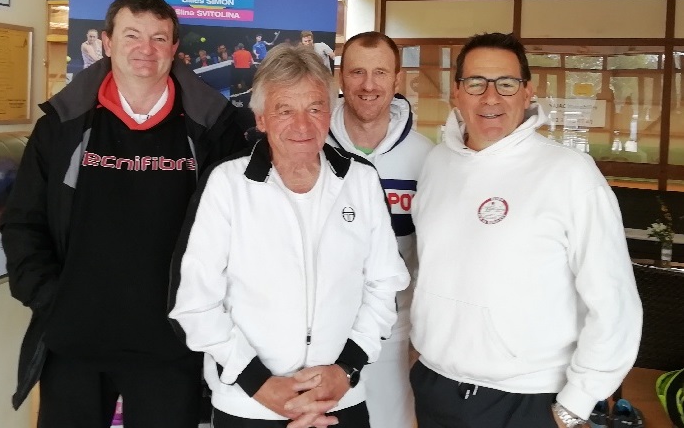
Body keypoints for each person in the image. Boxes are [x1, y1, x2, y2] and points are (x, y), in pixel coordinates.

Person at [0, 0, 247, 428]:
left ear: (174, 47)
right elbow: (23, 222)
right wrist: (51, 300)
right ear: (108, 42)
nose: (145, 49)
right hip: (75, 341)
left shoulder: (212, 129)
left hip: (172, 343)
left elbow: (236, 232)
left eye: (158, 37)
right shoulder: (62, 125)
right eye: (132, 35)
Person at [169, 43, 410, 428]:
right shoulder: (227, 184)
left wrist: (345, 371)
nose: (302, 125)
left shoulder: (361, 181)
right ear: (261, 118)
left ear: (329, 113)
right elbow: (195, 305)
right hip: (250, 407)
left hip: (340, 401)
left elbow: (384, 286)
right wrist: (259, 385)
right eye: (285, 110)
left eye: (314, 108)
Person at [409, 32, 643, 428]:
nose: (491, 97)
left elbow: (614, 302)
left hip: (527, 398)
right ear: (457, 93)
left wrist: (573, 406)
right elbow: (427, 268)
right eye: (476, 83)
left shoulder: (569, 173)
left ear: (527, 92)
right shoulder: (436, 164)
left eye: (506, 83)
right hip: (436, 387)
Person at [326, 31, 433, 428]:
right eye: (357, 72)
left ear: (397, 79)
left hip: (395, 337)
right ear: (340, 77)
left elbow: (434, 255)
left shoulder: (426, 158)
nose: (368, 85)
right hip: (322, 336)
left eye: (380, 73)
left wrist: (424, 336)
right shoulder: (312, 146)